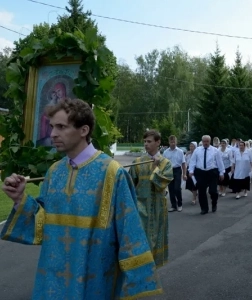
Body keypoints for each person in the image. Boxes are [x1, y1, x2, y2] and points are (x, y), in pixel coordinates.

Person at [1, 99, 161, 299]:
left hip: (94, 281)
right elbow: (43, 225)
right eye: (52, 127)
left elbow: (130, 231)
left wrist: (136, 281)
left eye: (61, 127)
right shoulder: (54, 172)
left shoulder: (112, 173)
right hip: (53, 280)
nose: (52, 134)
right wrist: (20, 199)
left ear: (84, 130)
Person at [129, 129, 173, 268]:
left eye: (149, 141)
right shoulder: (138, 161)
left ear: (158, 142)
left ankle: (153, 268)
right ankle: (142, 267)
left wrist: (155, 168)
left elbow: (163, 183)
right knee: (142, 239)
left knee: (156, 237)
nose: (146, 144)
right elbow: (130, 184)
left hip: (158, 207)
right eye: (145, 142)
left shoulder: (165, 163)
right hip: (140, 206)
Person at [188, 135, 225, 215]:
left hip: (212, 172)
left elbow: (220, 162)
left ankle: (214, 203)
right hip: (200, 172)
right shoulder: (197, 150)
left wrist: (221, 172)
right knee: (201, 192)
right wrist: (191, 170)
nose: (205, 143)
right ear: (202, 141)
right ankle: (204, 208)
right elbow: (193, 161)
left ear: (210, 141)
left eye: (207, 141)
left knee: (213, 191)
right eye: (204, 141)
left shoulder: (215, 151)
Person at [162, 135, 186, 212]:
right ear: (169, 142)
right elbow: (163, 163)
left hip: (177, 170)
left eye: (174, 142)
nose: (173, 143)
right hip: (169, 171)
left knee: (177, 188)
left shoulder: (180, 151)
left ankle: (180, 204)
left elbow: (183, 163)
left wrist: (184, 174)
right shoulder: (165, 152)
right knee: (171, 189)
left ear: (176, 142)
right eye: (171, 142)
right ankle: (173, 205)